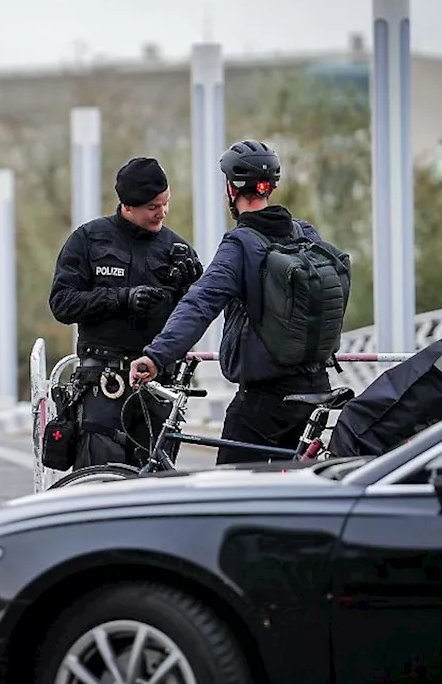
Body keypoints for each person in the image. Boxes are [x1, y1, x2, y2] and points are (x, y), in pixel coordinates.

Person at [129, 140, 352, 465]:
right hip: (317, 386)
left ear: (231, 189)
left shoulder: (241, 244)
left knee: (228, 495)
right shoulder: (305, 234)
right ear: (270, 187)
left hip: (265, 400)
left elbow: (201, 302)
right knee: (293, 492)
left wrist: (156, 355)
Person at [48, 157, 203, 469]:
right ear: (128, 206)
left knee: (154, 488)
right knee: (100, 482)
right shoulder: (89, 240)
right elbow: (62, 303)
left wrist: (188, 290)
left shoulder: (177, 250)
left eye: (165, 203)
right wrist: (121, 299)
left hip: (158, 386)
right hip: (104, 383)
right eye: (152, 207)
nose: (162, 213)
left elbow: (191, 321)